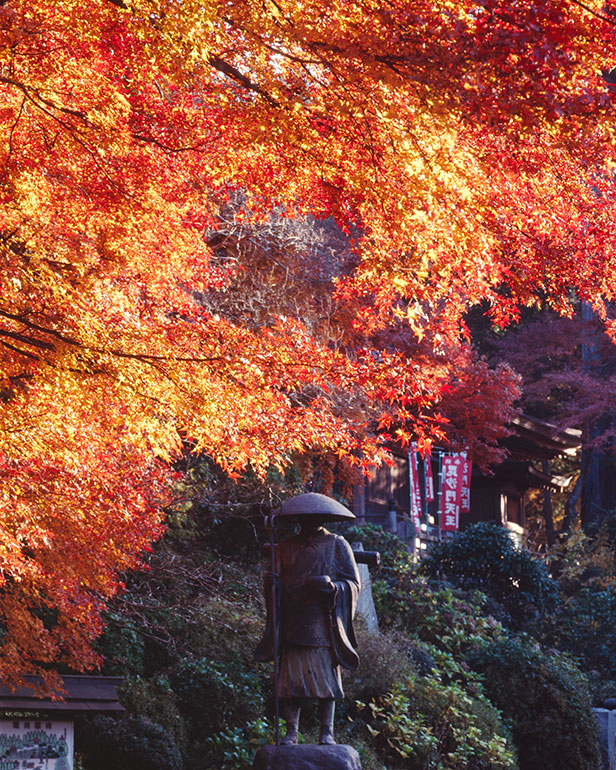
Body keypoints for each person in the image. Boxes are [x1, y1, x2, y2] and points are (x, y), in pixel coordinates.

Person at [255, 512, 360, 745]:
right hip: (293, 618)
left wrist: (334, 587)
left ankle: (327, 731)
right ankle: (291, 731)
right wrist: (273, 585)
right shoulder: (285, 547)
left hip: (322, 621)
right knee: (290, 682)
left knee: (327, 681)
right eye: (304, 518)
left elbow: (353, 583)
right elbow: (276, 582)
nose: (309, 522)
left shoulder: (337, 544)